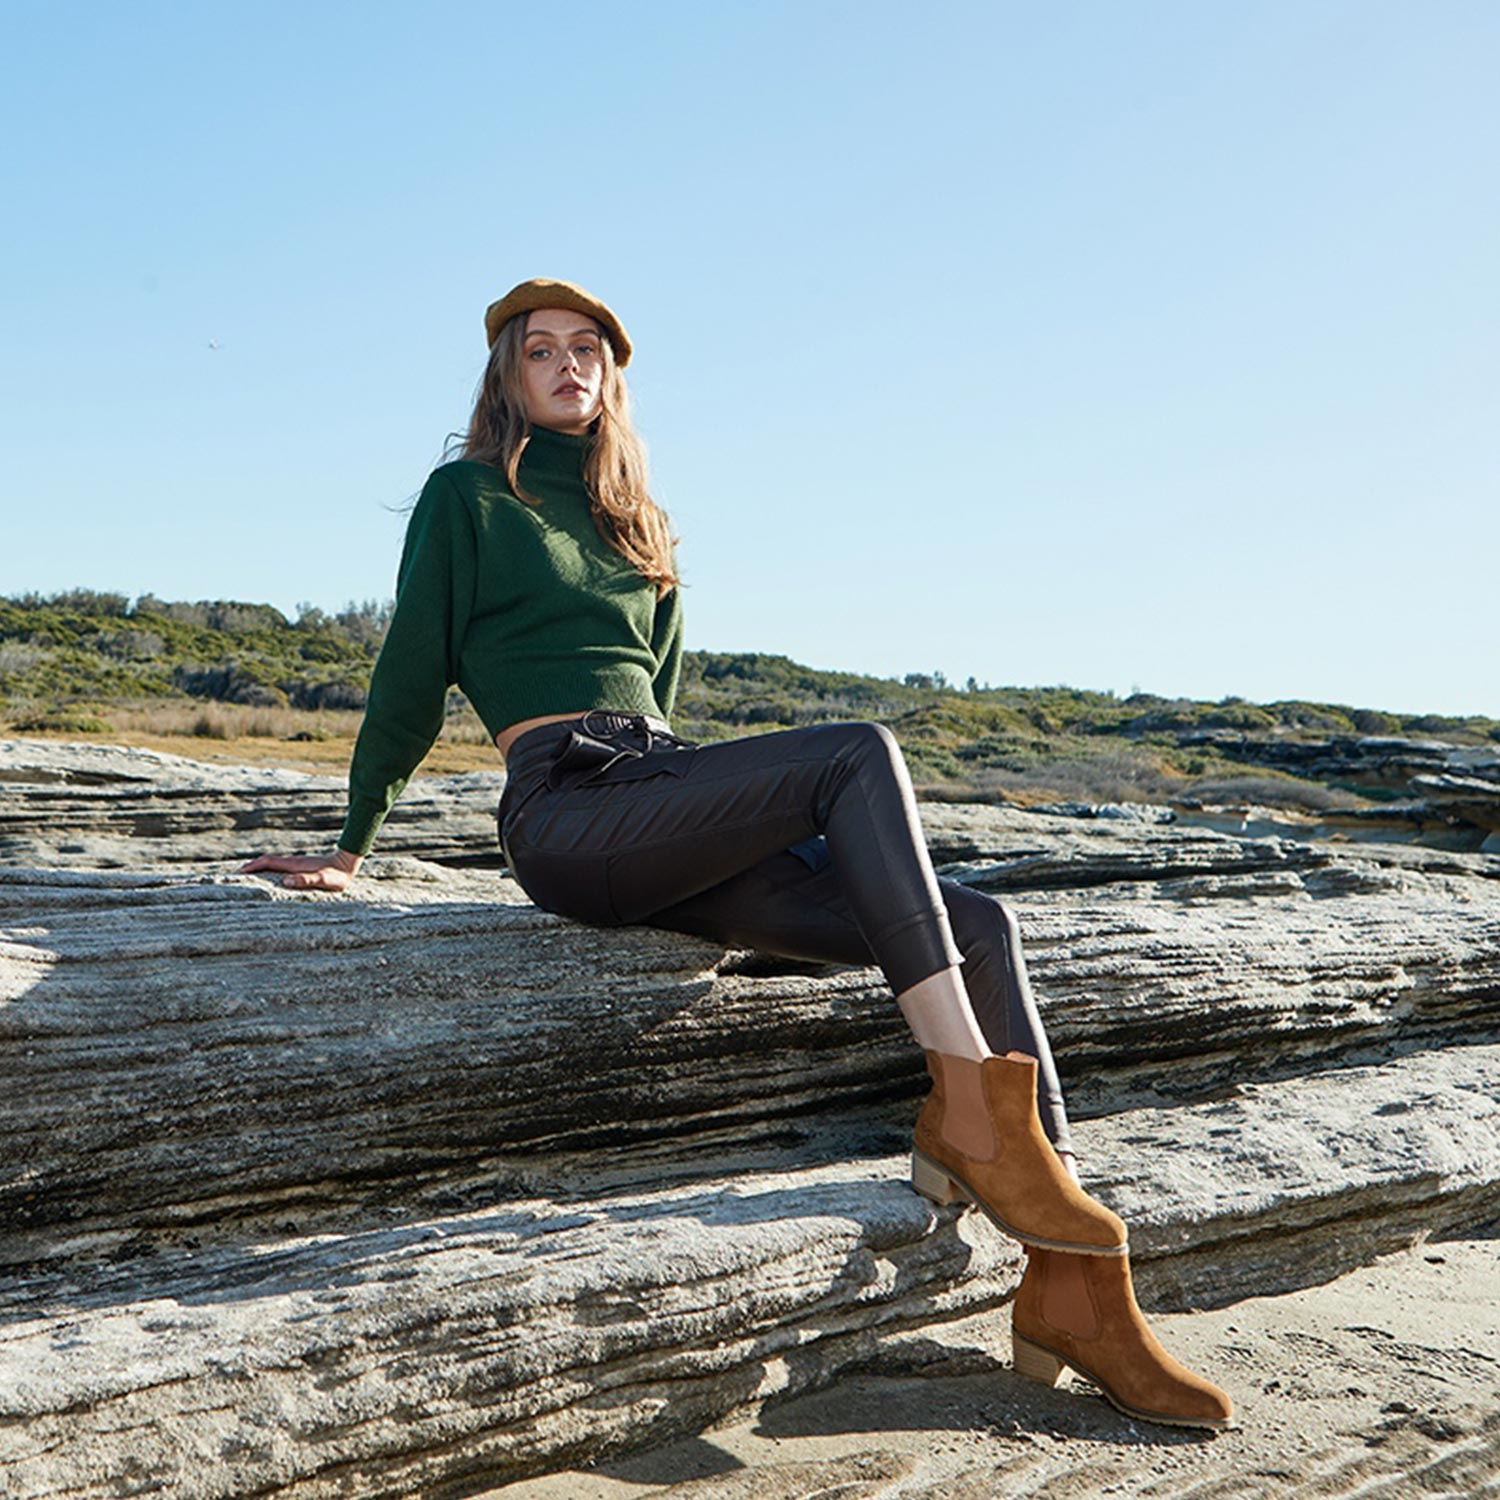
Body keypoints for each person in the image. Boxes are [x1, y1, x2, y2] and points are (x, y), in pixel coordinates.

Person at [237, 277, 1232, 1432]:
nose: (568, 367)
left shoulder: (638, 524)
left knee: (984, 924)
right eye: (540, 351)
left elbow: (662, 710)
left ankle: (1079, 1291)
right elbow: (409, 671)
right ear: (506, 377)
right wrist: (351, 842)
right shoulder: (467, 496)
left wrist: (794, 832)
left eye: (588, 352)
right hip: (568, 816)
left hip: (664, 803)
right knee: (856, 750)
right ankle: (969, 1112)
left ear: (613, 376)